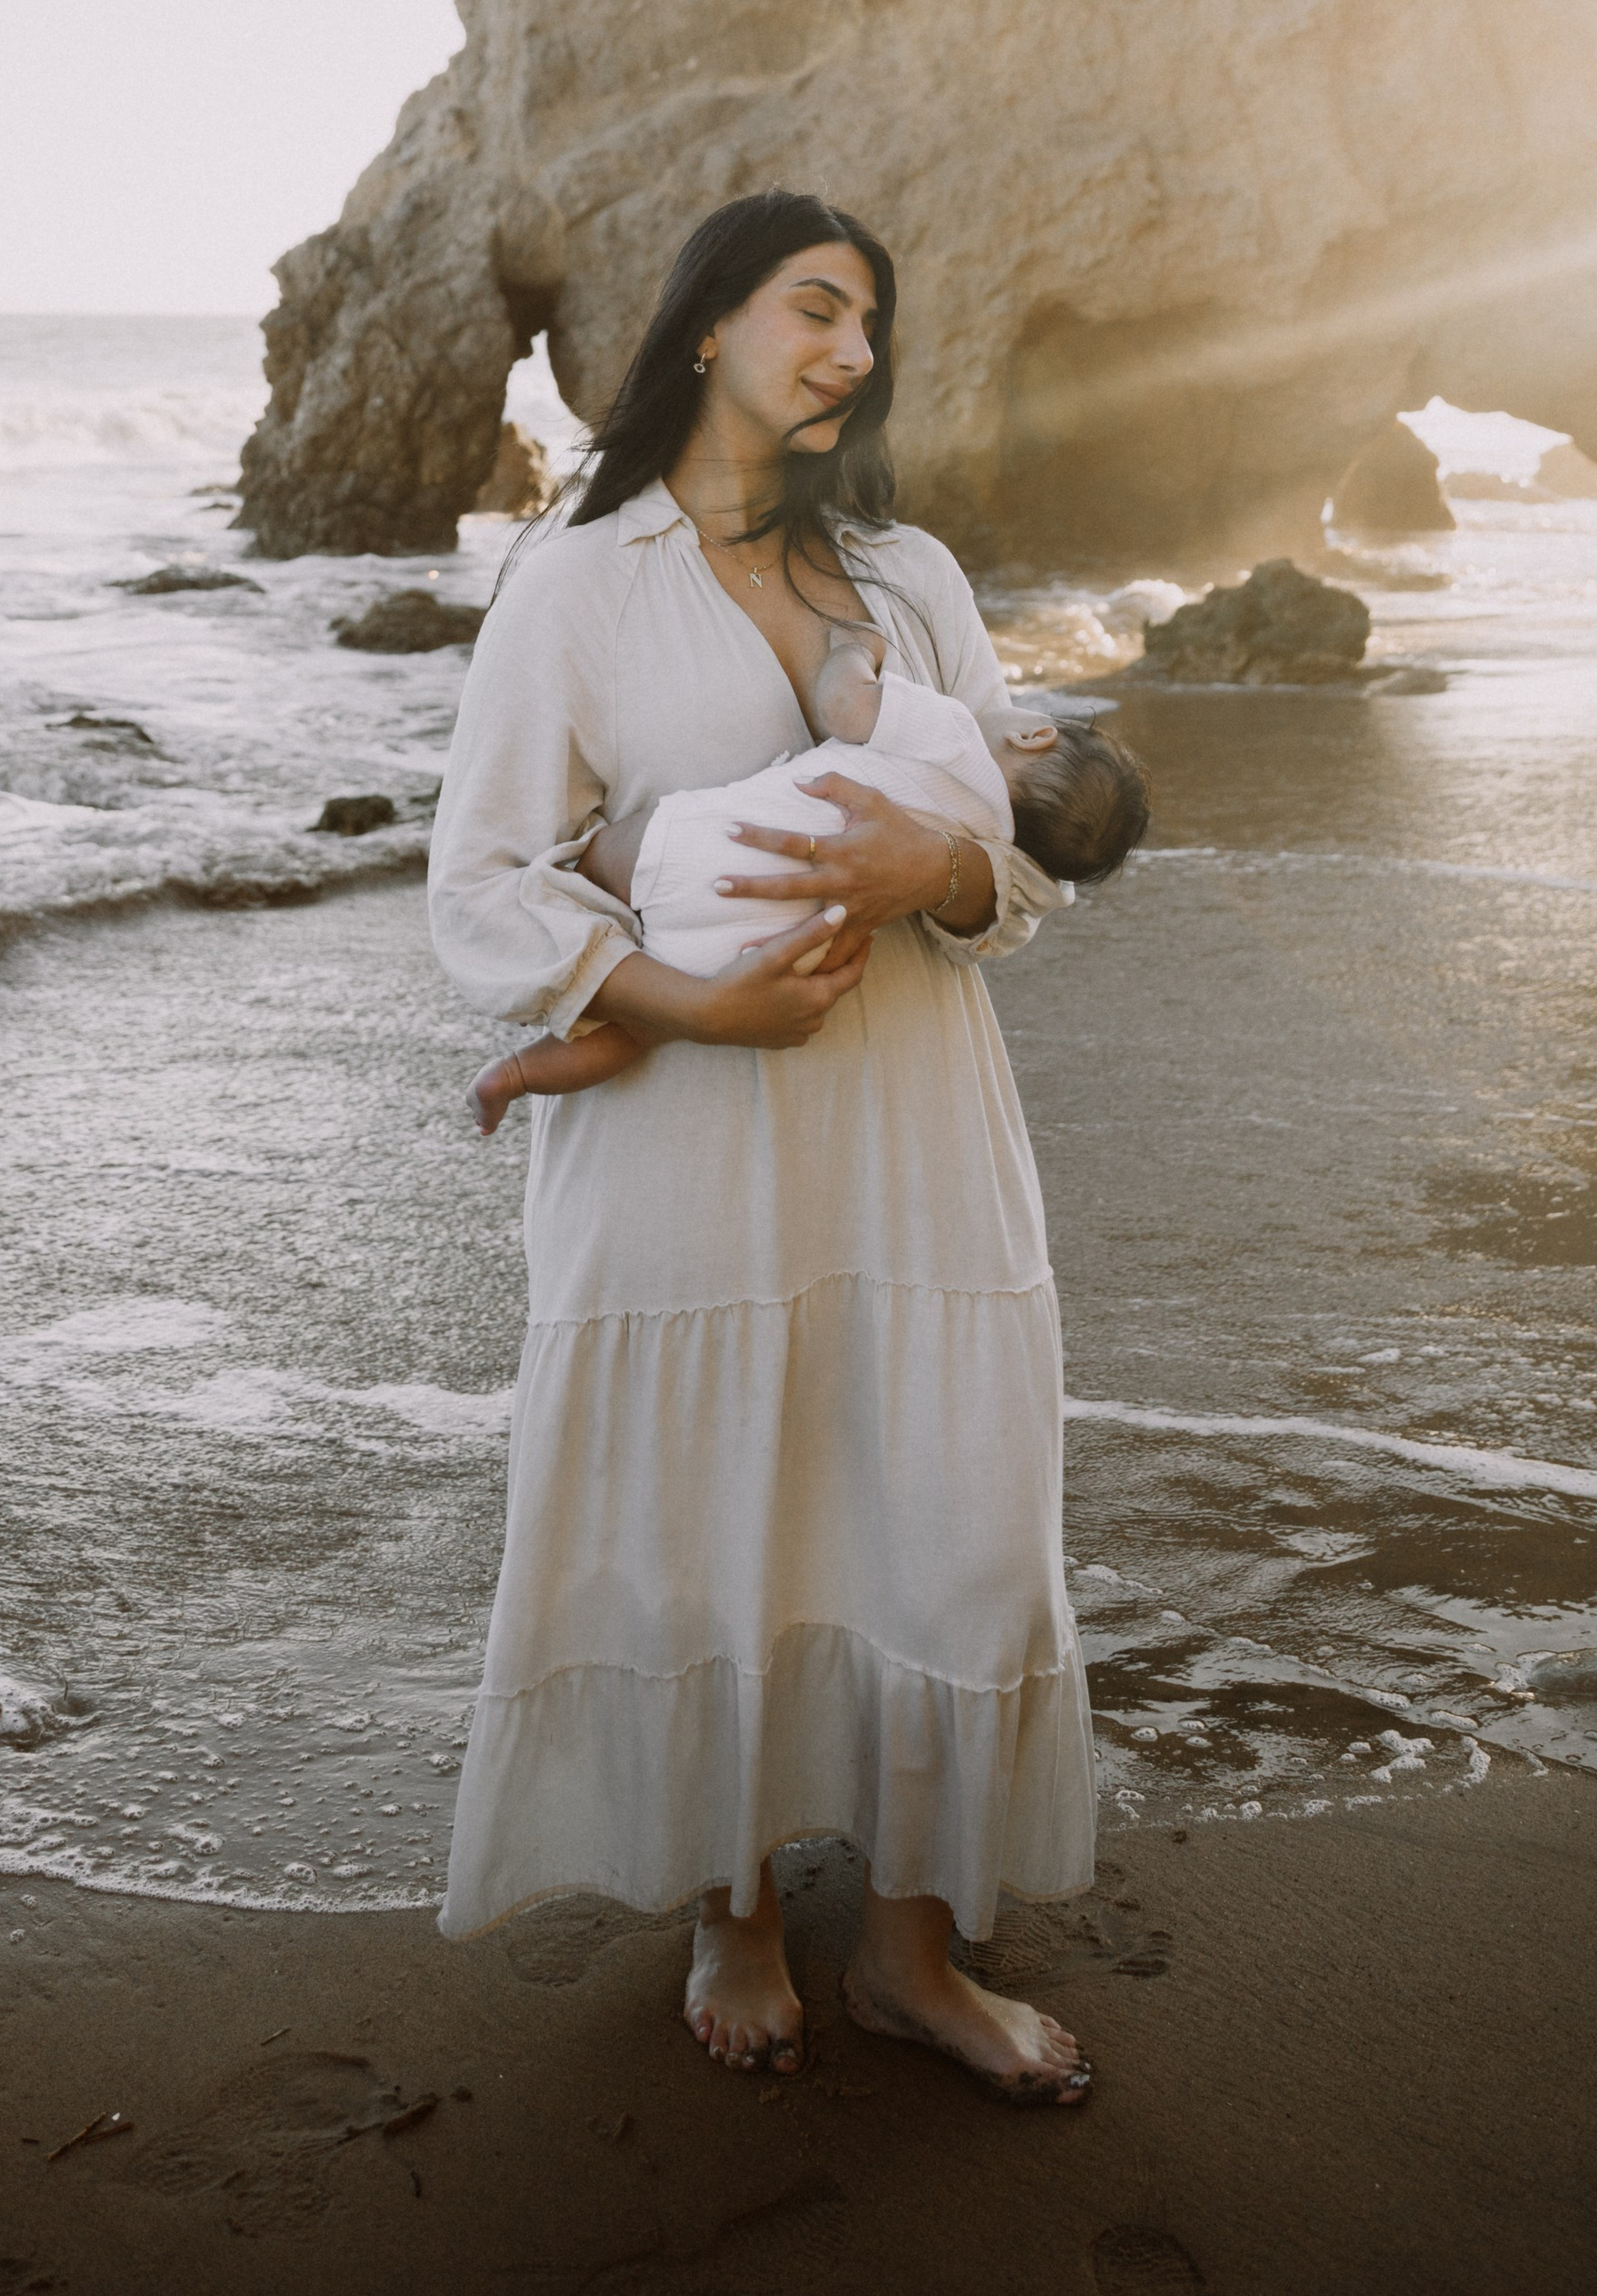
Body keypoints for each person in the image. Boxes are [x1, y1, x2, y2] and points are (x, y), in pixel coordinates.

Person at [427, 190, 1102, 2101]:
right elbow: (479, 887)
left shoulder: (905, 579)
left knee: (941, 1512)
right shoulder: (576, 582)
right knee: (699, 1518)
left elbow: (1012, 839)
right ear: (709, 323)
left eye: (869, 325)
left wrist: (946, 862)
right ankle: (728, 1903)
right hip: (682, 1135)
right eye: (816, 308)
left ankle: (904, 1948)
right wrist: (698, 1003)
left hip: (911, 1118)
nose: (849, 353)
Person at [467, 618, 1148, 1133]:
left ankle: (558, 924)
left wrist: (856, 649)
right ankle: (518, 1073)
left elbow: (846, 707)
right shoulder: (988, 842)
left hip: (709, 852)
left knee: (596, 860)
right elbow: (1017, 901)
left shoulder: (954, 733)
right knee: (642, 1030)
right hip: (771, 946)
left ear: (1034, 735)